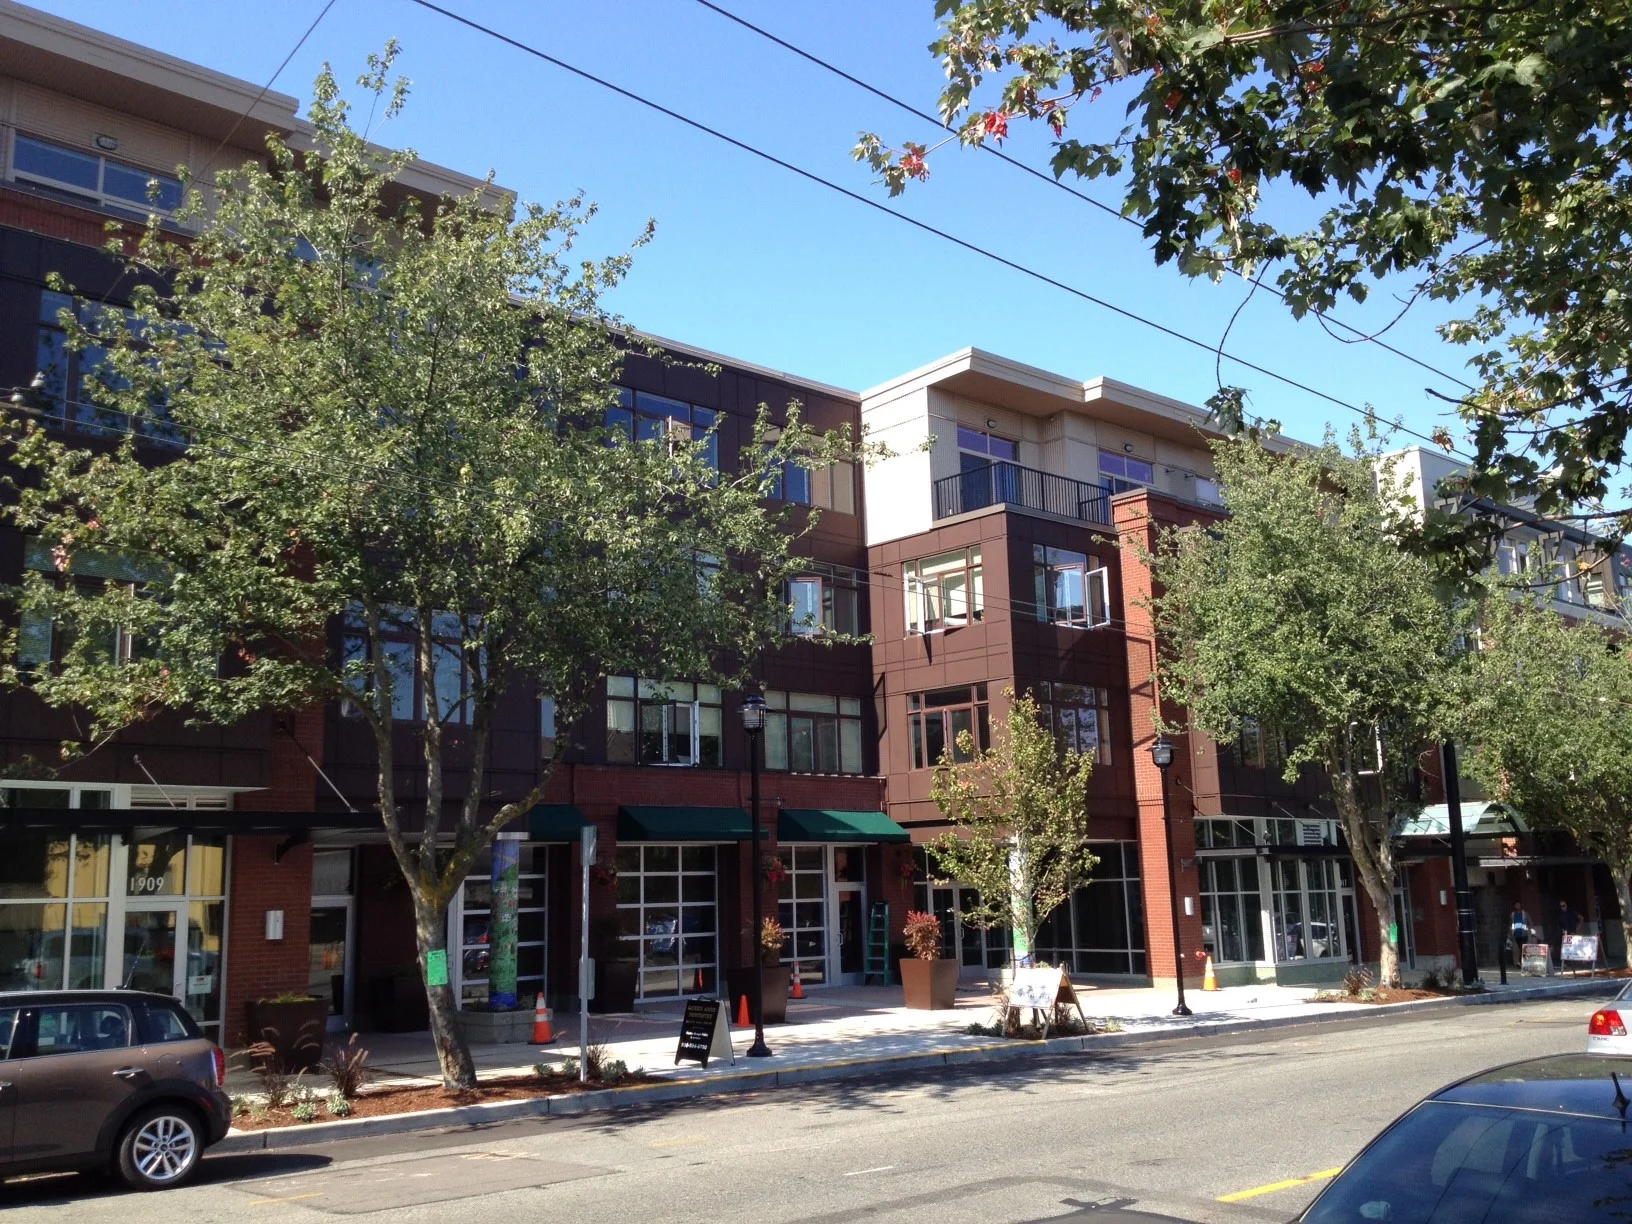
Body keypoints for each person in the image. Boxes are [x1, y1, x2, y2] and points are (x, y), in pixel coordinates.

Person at [1557, 898, 1581, 965]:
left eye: (1563, 905)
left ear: (1566, 905)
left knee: (1576, 947)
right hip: (1566, 934)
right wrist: (1562, 931)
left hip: (1573, 932)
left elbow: (1581, 918)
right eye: (1561, 906)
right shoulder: (1559, 915)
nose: (1562, 907)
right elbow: (1559, 925)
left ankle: (1578, 962)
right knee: (1567, 949)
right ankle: (1568, 963)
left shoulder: (1572, 911)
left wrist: (1578, 928)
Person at [1509, 901, 1533, 968]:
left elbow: (1530, 922)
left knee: (1522, 948)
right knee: (1520, 948)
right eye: (1516, 905)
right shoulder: (1513, 914)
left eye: (1519, 905)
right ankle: (1522, 962)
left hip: (1524, 934)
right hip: (1516, 934)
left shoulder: (1525, 914)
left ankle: (1520, 962)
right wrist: (1511, 932)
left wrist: (1530, 929)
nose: (1518, 906)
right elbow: (1511, 923)